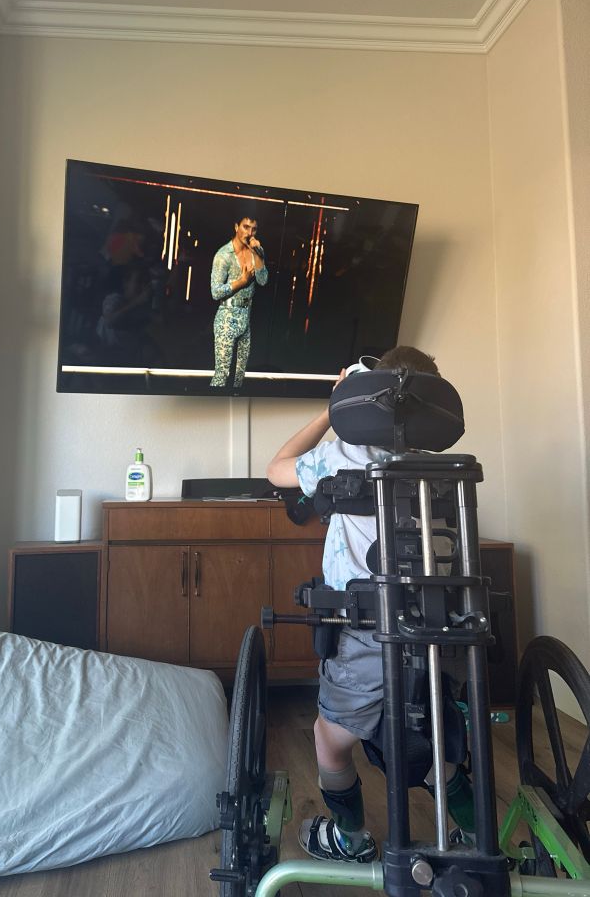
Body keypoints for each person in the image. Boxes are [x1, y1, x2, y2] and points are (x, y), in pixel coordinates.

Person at [265, 345, 475, 864]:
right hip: (438, 632)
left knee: (330, 740)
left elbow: (275, 470)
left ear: (365, 397)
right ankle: (476, 836)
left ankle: (351, 837)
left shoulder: (341, 456)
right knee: (430, 745)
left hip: (364, 631)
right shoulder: (442, 468)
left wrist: (330, 408)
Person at [209, 214, 268, 388]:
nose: (249, 232)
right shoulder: (224, 255)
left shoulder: (255, 251)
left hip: (245, 319)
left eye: (254, 228)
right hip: (226, 319)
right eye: (245, 227)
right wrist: (240, 282)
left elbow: (263, 280)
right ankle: (212, 408)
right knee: (222, 375)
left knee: (239, 377)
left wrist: (258, 255)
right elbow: (215, 291)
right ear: (236, 227)